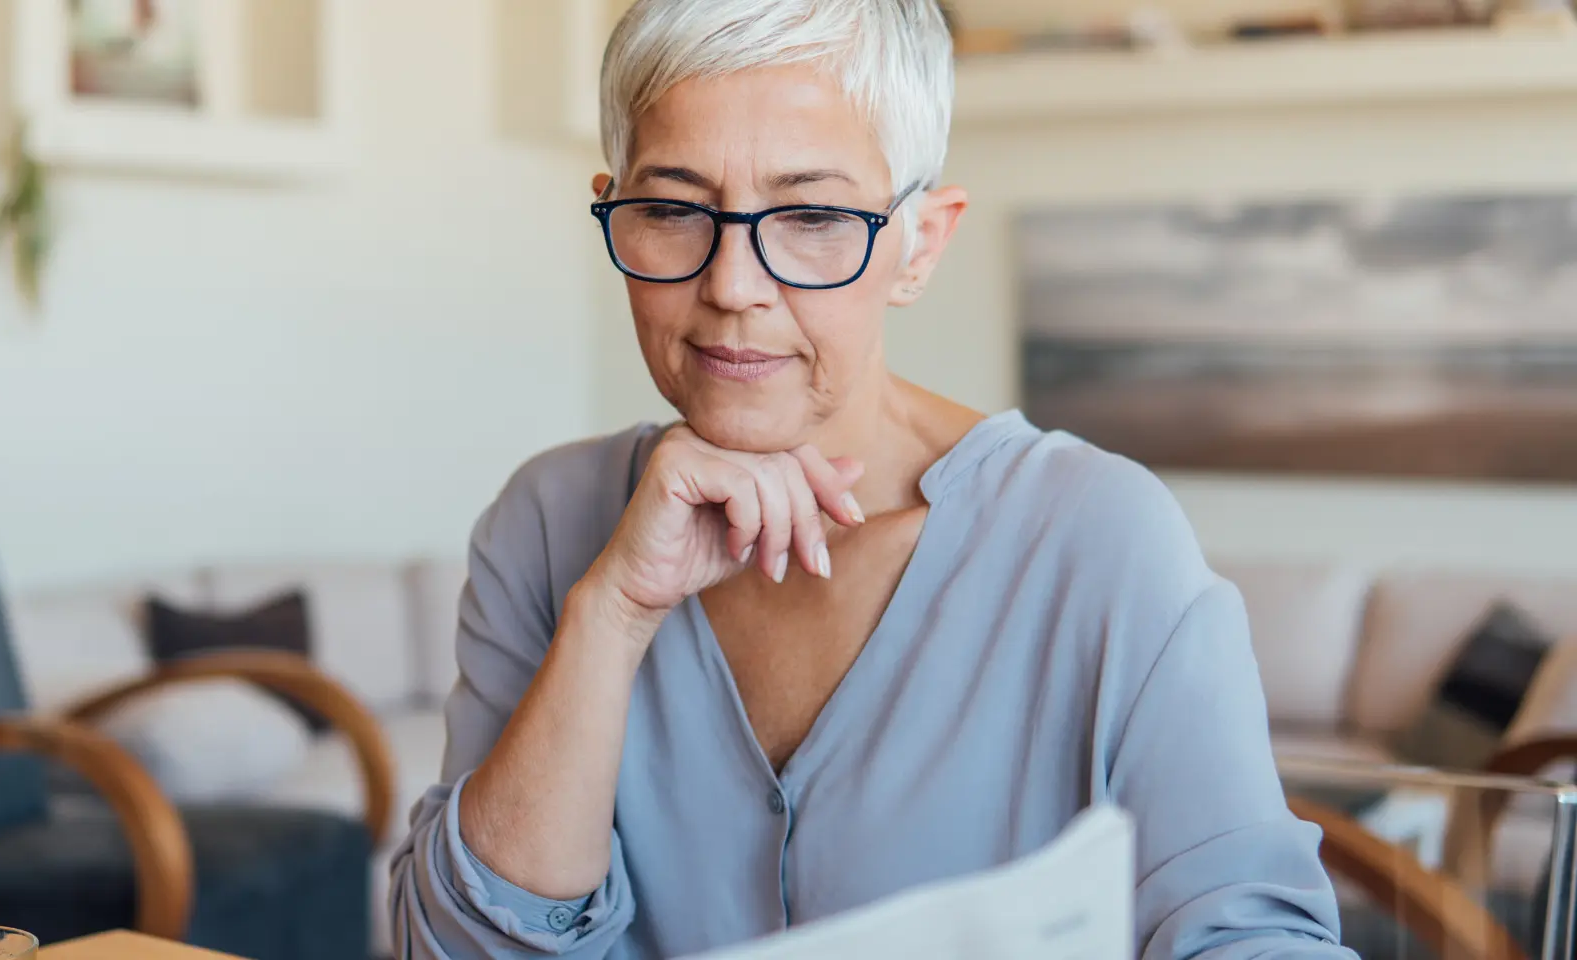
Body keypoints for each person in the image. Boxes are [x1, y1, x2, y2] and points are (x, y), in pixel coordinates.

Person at [390, 1, 1353, 956]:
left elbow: (1252, 937)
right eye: (673, 210)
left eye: (811, 215)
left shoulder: (1095, 536)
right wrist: (612, 614)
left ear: (920, 244)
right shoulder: (548, 525)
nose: (732, 284)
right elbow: (457, 949)